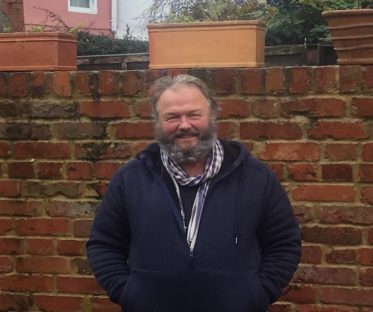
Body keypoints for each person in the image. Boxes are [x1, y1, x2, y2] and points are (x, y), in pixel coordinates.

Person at [86, 74, 301, 312]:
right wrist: (129, 293)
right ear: (158, 121)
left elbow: (283, 244)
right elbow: (104, 243)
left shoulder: (256, 177)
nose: (184, 125)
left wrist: (256, 294)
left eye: (194, 114)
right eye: (172, 117)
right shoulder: (131, 178)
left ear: (212, 115)